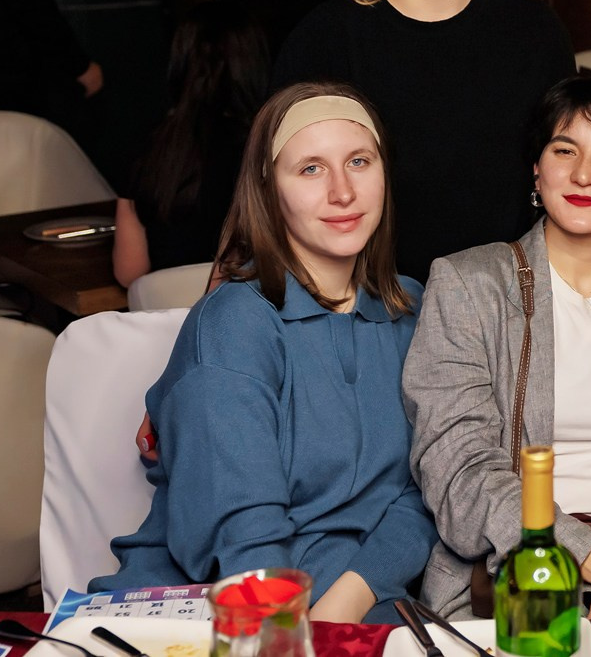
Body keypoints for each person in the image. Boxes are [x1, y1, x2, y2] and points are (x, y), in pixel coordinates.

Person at [93, 82, 437, 624]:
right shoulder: (234, 324)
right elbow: (242, 534)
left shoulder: (414, 308)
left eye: (358, 161)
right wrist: (300, 627)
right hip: (222, 607)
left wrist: (354, 593)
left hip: (362, 599)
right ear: (268, 189)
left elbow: (432, 486)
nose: (343, 192)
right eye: (310, 169)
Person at [403, 74, 591, 625]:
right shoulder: (469, 283)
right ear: (537, 169)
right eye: (565, 150)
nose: (584, 174)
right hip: (501, 572)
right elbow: (458, 469)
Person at [272, 0, 576, 282]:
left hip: (513, 303)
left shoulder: (535, 33)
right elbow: (277, 192)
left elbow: (569, 173)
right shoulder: (326, 40)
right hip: (370, 305)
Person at [112, 2, 269, 287]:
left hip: (166, 313)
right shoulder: (267, 150)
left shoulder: (146, 148)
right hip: (241, 310)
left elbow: (129, 273)